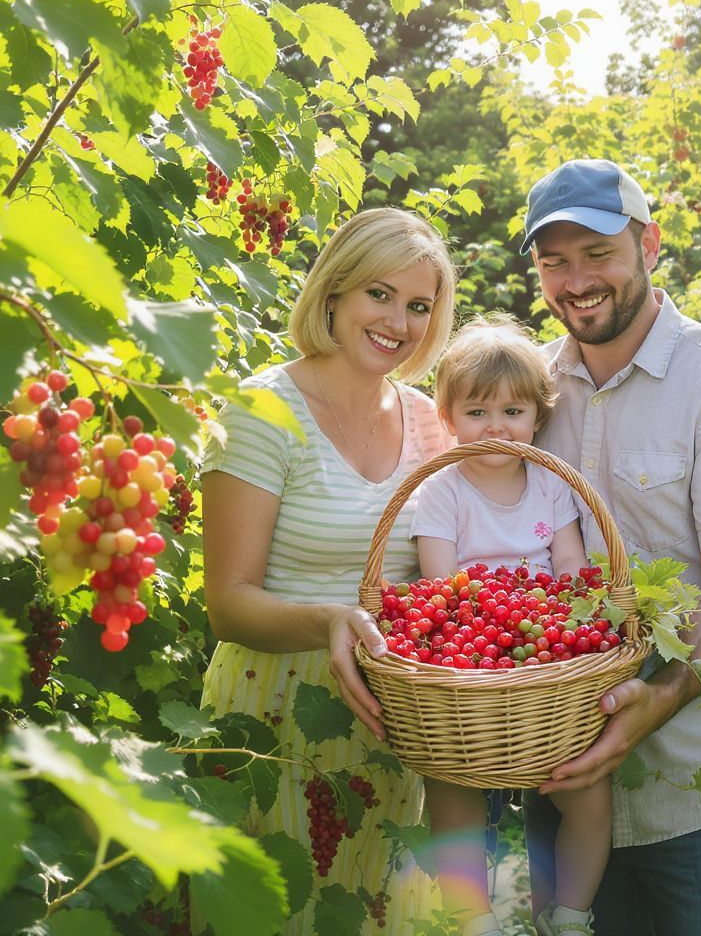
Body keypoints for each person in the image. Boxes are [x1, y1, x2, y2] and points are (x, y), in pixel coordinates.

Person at [519, 159, 701, 936]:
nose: (576, 280)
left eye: (597, 253)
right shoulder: (528, 392)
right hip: (564, 777)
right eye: (554, 261)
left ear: (651, 243)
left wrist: (662, 699)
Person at [200, 207, 456, 935]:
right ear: (334, 292)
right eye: (380, 294)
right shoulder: (262, 410)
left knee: (375, 913)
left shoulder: (431, 424)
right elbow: (228, 602)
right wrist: (329, 620)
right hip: (272, 715)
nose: (398, 322)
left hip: (384, 719)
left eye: (418, 306)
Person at [409, 317, 605, 936]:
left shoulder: (549, 483)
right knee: (452, 783)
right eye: (476, 412)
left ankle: (570, 913)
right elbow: (442, 590)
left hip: (544, 659)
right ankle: (472, 917)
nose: (495, 426)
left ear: (537, 417)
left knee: (589, 796)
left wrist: (572, 604)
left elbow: (571, 564)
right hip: (475, 657)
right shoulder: (441, 491)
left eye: (513, 410)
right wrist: (498, 615)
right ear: (448, 417)